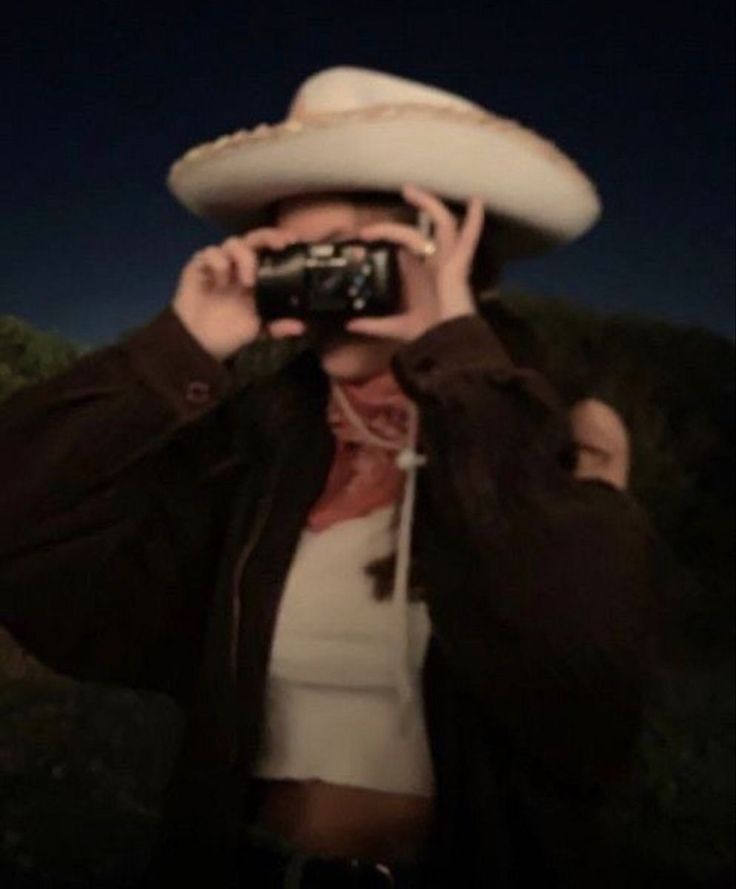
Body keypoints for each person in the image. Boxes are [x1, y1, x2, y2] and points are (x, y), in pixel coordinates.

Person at [0, 66, 660, 888]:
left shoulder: (552, 442)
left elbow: (586, 704)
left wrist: (458, 369)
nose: (324, 288)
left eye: (352, 256)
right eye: (296, 257)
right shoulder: (259, 451)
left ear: (451, 256)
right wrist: (178, 349)